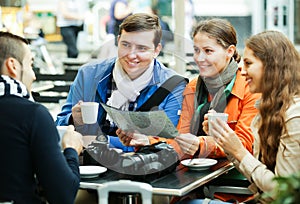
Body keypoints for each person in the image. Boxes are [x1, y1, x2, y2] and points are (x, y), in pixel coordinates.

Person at [118, 18, 260, 160]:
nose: (199, 58)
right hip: (198, 173)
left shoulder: (250, 88)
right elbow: (181, 139)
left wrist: (200, 144)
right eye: (196, 50)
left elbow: (245, 144)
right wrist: (148, 141)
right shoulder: (193, 87)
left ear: (229, 51)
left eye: (208, 51)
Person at [56, 13, 187, 152]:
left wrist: (100, 141)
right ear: (118, 41)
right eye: (125, 45)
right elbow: (59, 128)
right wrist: (72, 120)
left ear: (156, 50)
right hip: (89, 168)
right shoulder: (88, 74)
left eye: (141, 48)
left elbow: (167, 143)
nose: (131, 55)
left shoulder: (173, 85)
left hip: (143, 168)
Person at [209, 30, 300, 203]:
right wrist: (225, 141)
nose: (241, 70)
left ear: (272, 66)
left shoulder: (294, 116)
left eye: (248, 63)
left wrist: (239, 151)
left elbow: (283, 191)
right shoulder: (267, 113)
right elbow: (257, 176)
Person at [0, 31, 83, 203]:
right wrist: (72, 150)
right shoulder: (32, 114)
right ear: (13, 66)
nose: (34, 75)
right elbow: (64, 195)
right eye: (30, 65)